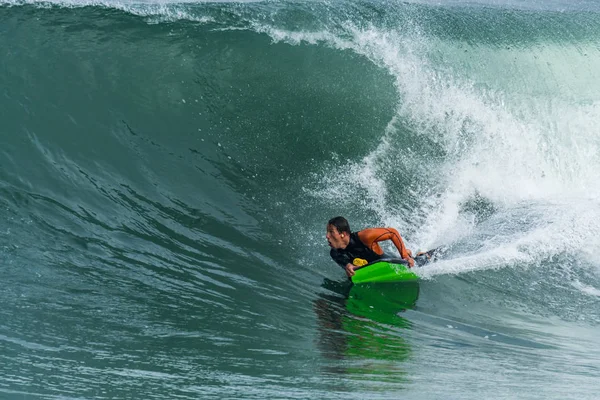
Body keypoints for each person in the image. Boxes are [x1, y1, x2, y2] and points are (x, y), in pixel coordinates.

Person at [326, 216, 415, 278]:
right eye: (327, 232)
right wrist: (349, 267)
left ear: (343, 234)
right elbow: (347, 265)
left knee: (408, 257)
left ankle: (409, 253)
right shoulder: (334, 253)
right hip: (370, 270)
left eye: (331, 232)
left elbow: (392, 233)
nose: (327, 236)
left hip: (388, 261)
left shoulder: (365, 237)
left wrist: (405, 257)